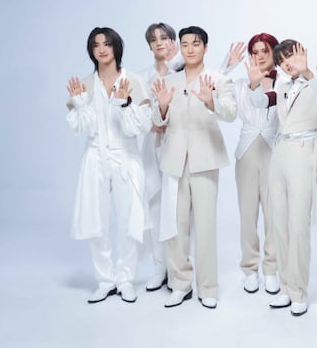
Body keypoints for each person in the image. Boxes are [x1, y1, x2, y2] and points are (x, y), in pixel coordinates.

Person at [151, 26, 236, 310]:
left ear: (205, 48)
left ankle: (208, 287)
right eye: (185, 44)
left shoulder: (218, 79)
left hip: (206, 158)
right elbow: (157, 121)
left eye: (195, 43)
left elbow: (231, 113)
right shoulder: (168, 81)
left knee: (205, 225)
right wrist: (162, 108)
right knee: (175, 226)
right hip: (174, 160)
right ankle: (180, 284)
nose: (189, 49)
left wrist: (211, 101)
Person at [247, 40, 317, 316]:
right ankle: (285, 287)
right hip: (280, 153)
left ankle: (299, 291)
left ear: (302, 55)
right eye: (282, 61)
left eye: (291, 57)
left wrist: (307, 71)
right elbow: (260, 102)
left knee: (298, 226)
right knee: (279, 224)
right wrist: (254, 84)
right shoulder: (282, 87)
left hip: (303, 152)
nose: (287, 64)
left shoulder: (316, 84)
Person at [66, 27, 151, 304]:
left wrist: (124, 105)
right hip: (95, 157)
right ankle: (105, 280)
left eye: (107, 43)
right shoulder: (85, 85)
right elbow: (82, 129)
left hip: (126, 157)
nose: (102, 49)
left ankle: (125, 279)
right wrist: (81, 105)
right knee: (97, 221)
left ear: (116, 47)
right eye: (96, 45)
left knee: (128, 221)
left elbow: (139, 127)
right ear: (91, 50)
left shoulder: (134, 81)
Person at [138, 22, 183, 292]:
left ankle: (180, 268)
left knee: (177, 207)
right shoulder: (142, 77)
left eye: (164, 37)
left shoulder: (183, 69)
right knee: (155, 204)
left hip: (177, 144)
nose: (159, 43)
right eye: (154, 39)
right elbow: (137, 112)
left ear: (173, 41)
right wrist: (152, 122)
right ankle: (159, 268)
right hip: (152, 145)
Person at [234, 33, 280, 294]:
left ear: (275, 52)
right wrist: (251, 83)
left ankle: (271, 269)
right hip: (248, 150)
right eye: (255, 51)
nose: (260, 56)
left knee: (274, 214)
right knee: (247, 214)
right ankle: (250, 269)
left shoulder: (284, 82)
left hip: (275, 150)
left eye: (265, 50)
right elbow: (216, 96)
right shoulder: (241, 84)